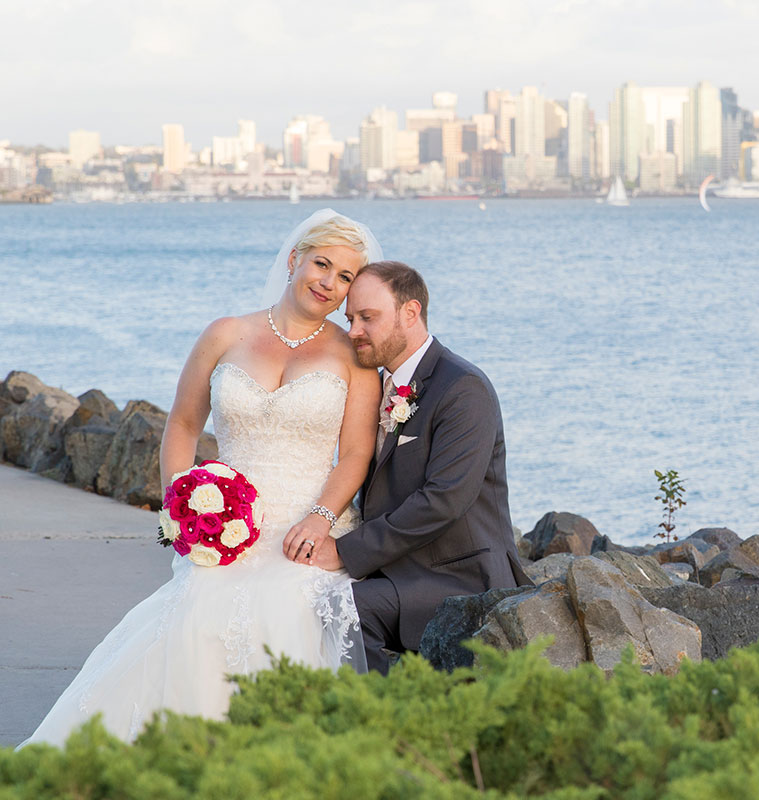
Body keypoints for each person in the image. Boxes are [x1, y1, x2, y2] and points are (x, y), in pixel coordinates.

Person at [21, 209, 382, 747]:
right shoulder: (225, 334)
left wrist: (321, 518)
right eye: (322, 264)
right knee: (194, 621)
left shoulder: (353, 356)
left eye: (346, 276)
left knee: (289, 613)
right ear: (293, 260)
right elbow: (183, 426)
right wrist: (181, 510)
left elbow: (355, 453)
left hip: (307, 528)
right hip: (225, 530)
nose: (329, 282)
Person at [304, 260, 532, 673]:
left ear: (410, 313)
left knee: (347, 605)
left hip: (459, 576)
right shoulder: (380, 385)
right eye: (350, 318)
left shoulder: (463, 388)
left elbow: (443, 500)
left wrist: (344, 550)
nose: (353, 329)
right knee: (300, 590)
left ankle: (380, 721)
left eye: (367, 318)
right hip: (399, 568)